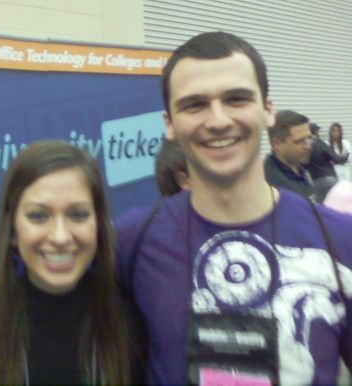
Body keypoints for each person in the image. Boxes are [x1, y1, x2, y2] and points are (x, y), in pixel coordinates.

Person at [116, 31, 352, 385]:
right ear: (169, 123)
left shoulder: (339, 239)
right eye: (194, 104)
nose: (218, 120)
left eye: (236, 99)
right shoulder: (133, 241)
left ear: (267, 110)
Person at [0, 140, 137, 385]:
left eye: (78, 215)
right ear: (12, 231)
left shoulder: (131, 325)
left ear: (99, 225)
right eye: (38, 216)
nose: (60, 237)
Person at [264, 109, 315, 201]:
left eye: (309, 138)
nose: (308, 146)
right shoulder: (272, 185)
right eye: (300, 141)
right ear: (277, 144)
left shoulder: (300, 169)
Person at [307, 123, 348, 203]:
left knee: (321, 207)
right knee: (336, 204)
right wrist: (345, 156)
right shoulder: (320, 144)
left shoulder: (306, 146)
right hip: (328, 179)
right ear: (316, 132)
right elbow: (336, 159)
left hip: (315, 181)